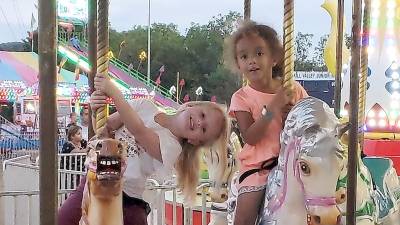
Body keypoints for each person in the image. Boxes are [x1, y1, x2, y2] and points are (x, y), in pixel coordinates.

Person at [58, 73, 230, 225]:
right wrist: (97, 110)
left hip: (127, 198)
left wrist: (114, 91)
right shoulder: (144, 106)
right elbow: (107, 128)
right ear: (190, 105)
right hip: (97, 175)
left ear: (194, 141)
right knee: (63, 219)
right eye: (202, 115)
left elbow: (139, 131)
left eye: (204, 129)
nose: (199, 123)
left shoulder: (172, 148)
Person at [225, 21, 308, 225]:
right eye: (244, 56)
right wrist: (273, 108)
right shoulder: (242, 98)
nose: (252, 61)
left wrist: (293, 114)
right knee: (243, 220)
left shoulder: (292, 89)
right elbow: (250, 137)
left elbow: (309, 123)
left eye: (259, 53)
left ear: (274, 58)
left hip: (294, 164)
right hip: (259, 168)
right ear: (238, 64)